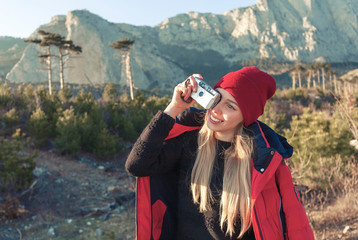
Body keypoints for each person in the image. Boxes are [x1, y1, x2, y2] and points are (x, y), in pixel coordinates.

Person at [125, 66, 315, 240]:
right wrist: (174, 108)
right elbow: (136, 165)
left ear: (246, 117)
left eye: (230, 106)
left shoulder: (260, 161)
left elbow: (281, 225)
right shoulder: (189, 143)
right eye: (216, 98)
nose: (216, 110)